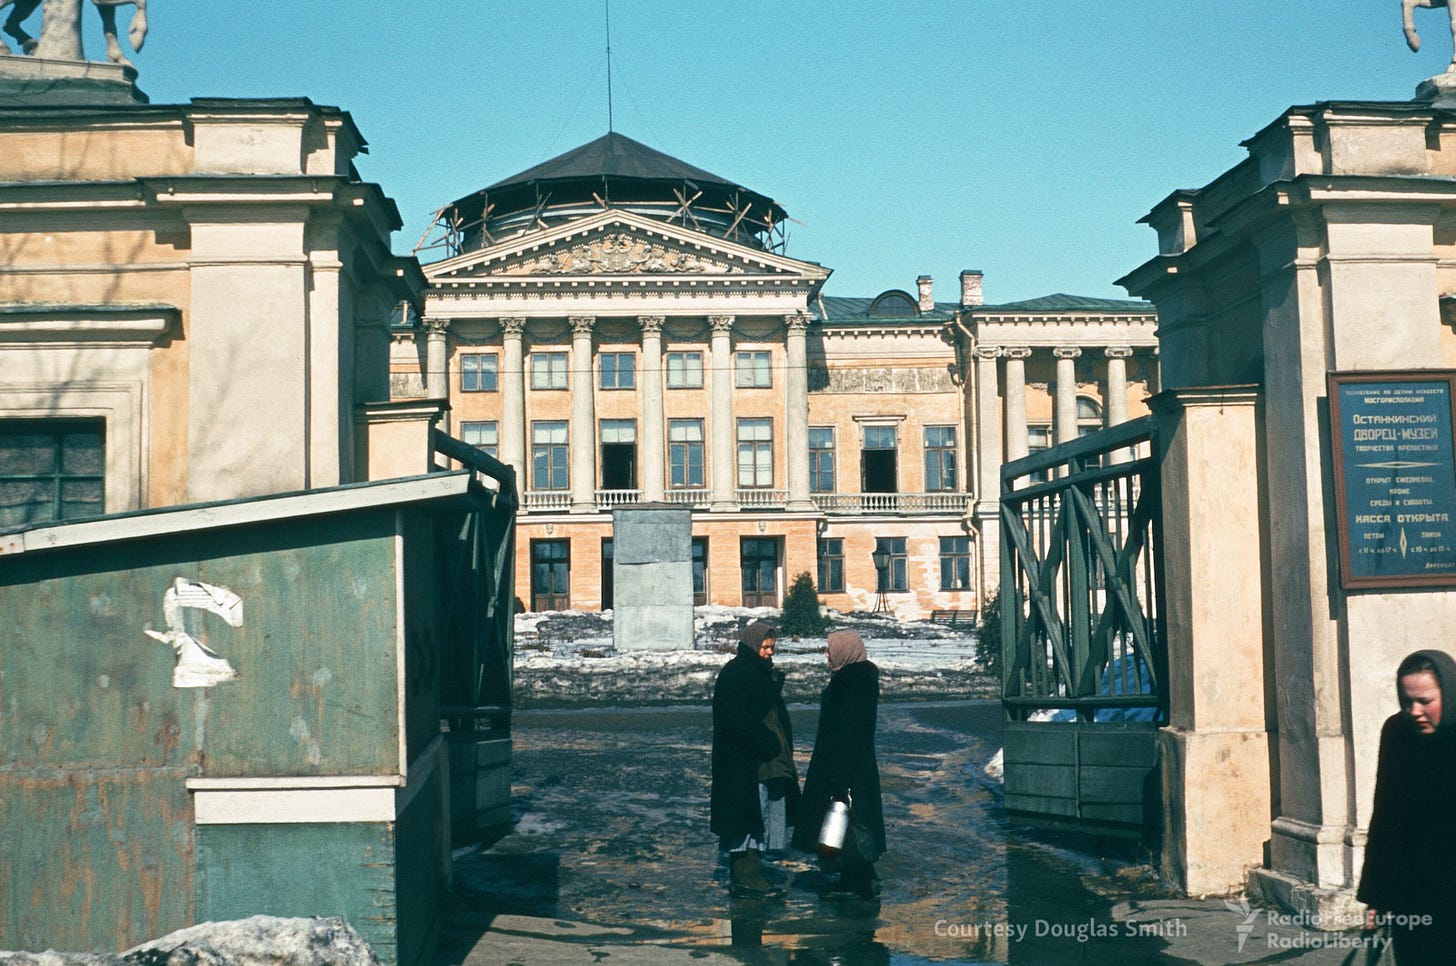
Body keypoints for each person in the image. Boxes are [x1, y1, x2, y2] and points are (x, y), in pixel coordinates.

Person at [1357, 649, 1456, 963]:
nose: (1414, 711)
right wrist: (1375, 894)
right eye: (1406, 701)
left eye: (1425, 701)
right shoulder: (1396, 733)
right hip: (1412, 890)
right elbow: (1385, 815)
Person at [792, 629, 885, 899]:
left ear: (845, 651)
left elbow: (847, 735)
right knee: (853, 824)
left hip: (846, 770)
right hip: (855, 769)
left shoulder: (849, 686)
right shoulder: (856, 681)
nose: (826, 654)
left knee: (848, 824)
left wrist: (839, 782)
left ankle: (858, 880)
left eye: (830, 649)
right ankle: (857, 877)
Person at [710, 621, 799, 898]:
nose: (769, 652)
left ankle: (752, 873)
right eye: (764, 647)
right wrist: (767, 742)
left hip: (759, 764)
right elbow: (737, 721)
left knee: (756, 817)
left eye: (772, 647)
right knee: (745, 820)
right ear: (752, 645)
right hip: (742, 763)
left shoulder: (758, 673)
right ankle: (745, 877)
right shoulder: (736, 674)